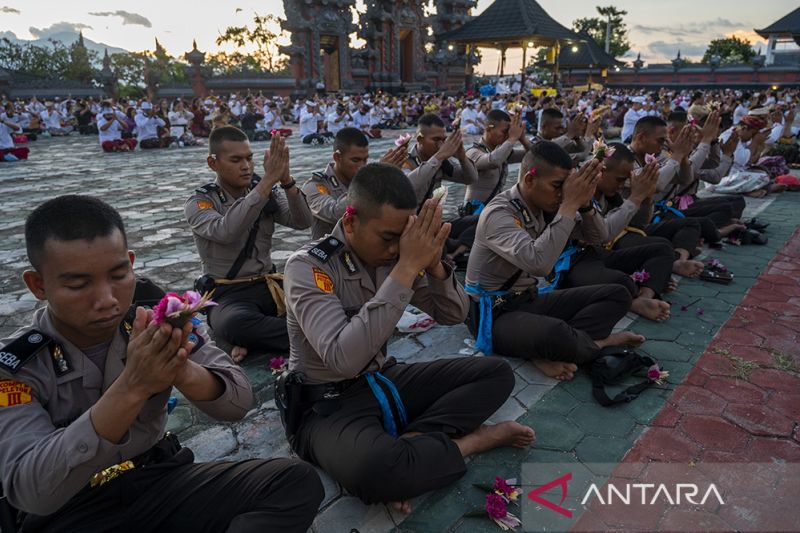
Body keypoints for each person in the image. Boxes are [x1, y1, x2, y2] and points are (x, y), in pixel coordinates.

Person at [0, 195, 323, 533]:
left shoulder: (158, 315)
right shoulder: (14, 365)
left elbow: (238, 402)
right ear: (38, 285)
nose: (107, 299)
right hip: (72, 509)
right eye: (78, 284)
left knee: (293, 484)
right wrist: (134, 385)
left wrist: (180, 367)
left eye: (118, 274)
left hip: (158, 479)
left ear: (131, 262)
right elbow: (33, 491)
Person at [282, 163, 535, 513]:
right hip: (326, 404)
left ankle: (415, 442)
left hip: (381, 378)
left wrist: (433, 266)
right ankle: (470, 443)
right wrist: (404, 268)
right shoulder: (309, 267)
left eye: (402, 239)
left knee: (495, 374)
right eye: (388, 238)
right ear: (352, 221)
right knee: (373, 470)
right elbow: (342, 358)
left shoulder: (394, 254)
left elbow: (455, 315)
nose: (395, 249)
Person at [465, 142, 644, 381]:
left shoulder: (547, 206)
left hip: (528, 300)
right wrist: (569, 205)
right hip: (494, 314)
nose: (562, 194)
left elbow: (599, 237)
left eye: (566, 187)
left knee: (618, 294)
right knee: (554, 332)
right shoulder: (499, 214)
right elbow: (539, 264)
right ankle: (599, 343)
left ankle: (556, 347)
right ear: (530, 180)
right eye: (557, 186)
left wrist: (586, 203)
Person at [184, 126, 312, 363]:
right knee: (235, 324)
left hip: (269, 285)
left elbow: (302, 221)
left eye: (249, 158)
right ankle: (319, 331)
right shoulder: (201, 201)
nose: (246, 166)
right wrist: (266, 182)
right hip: (230, 293)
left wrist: (286, 181)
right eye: (236, 160)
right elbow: (227, 231)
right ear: (213, 163)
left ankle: (283, 334)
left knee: (324, 287)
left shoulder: (263, 189)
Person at [303, 127, 408, 239]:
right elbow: (334, 212)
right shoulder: (314, 186)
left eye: (365, 160)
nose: (362, 166)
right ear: (337, 157)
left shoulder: (368, 180)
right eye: (355, 160)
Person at [464, 109, 532, 212]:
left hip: (493, 211)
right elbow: (493, 161)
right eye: (504, 132)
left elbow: (531, 156)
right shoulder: (472, 153)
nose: (506, 136)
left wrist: (522, 139)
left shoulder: (503, 153)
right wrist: (512, 139)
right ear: (488, 129)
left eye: (508, 132)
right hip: (474, 213)